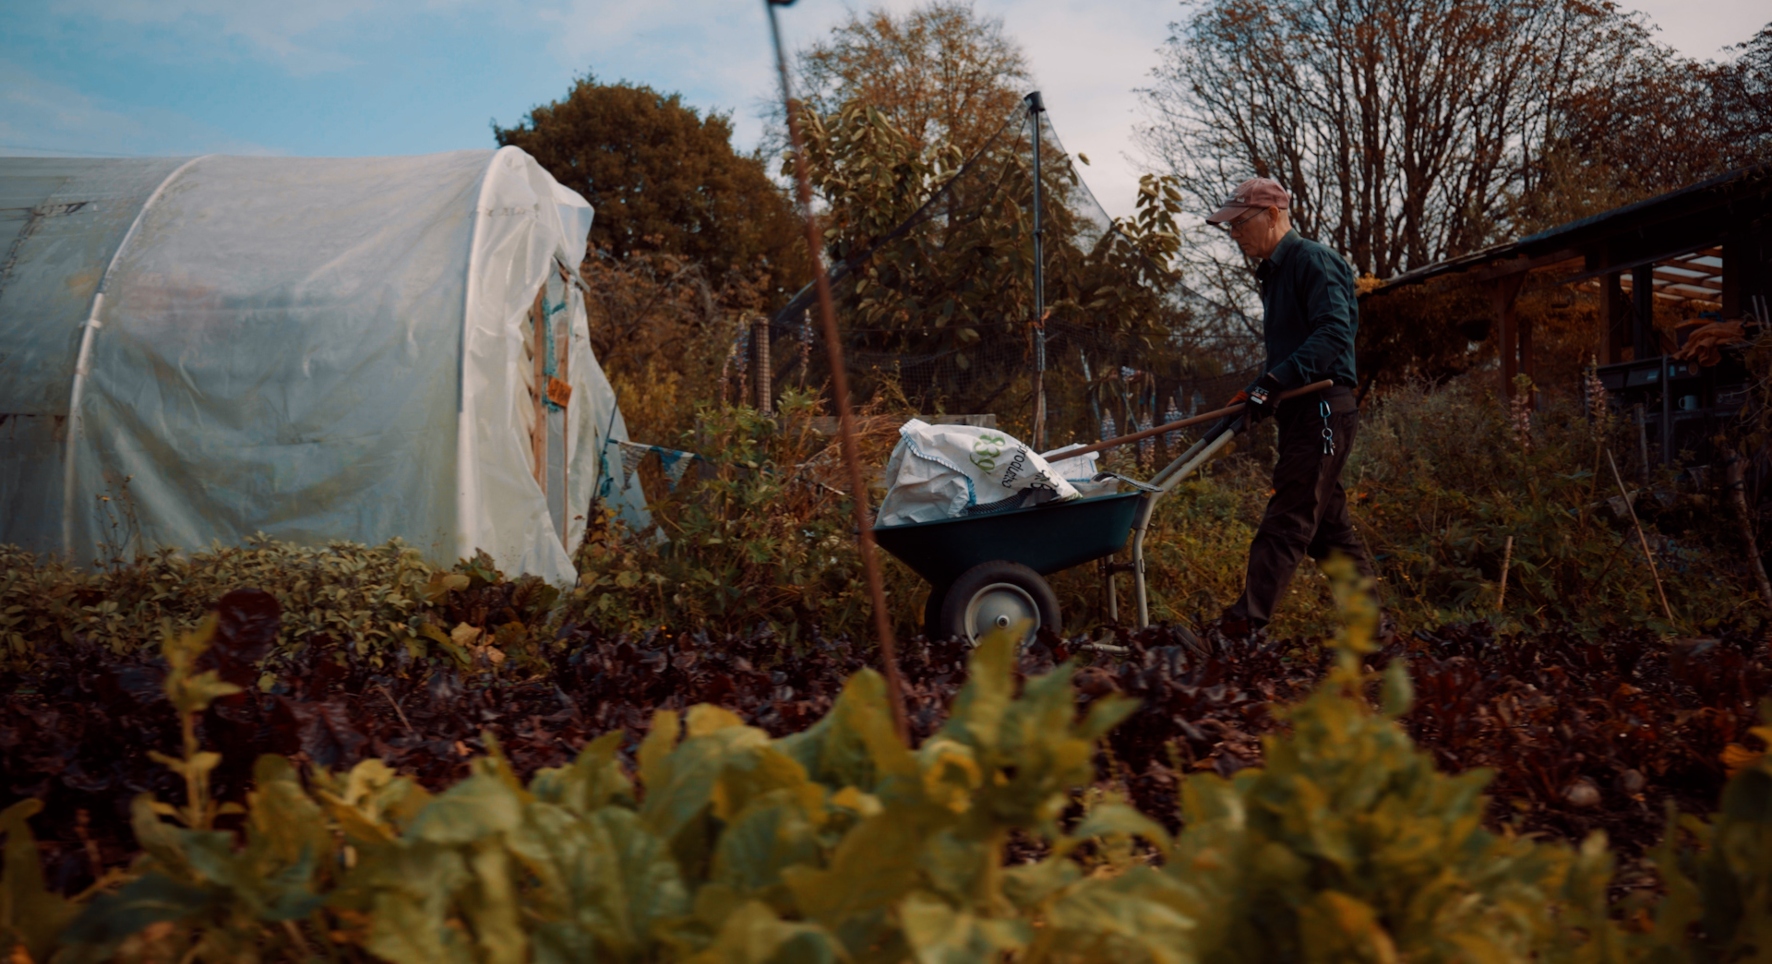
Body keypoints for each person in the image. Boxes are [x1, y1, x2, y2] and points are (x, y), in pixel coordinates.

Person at [1204, 177, 1379, 638]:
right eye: (1231, 226)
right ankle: (1373, 637)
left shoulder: (1313, 261)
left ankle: (1242, 628)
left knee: (1287, 520)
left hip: (1323, 407)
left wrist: (1275, 381)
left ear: (1274, 215)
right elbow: (1290, 353)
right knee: (1329, 534)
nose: (1235, 234)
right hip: (1302, 411)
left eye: (1241, 223)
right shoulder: (1276, 273)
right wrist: (1256, 393)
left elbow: (1333, 336)